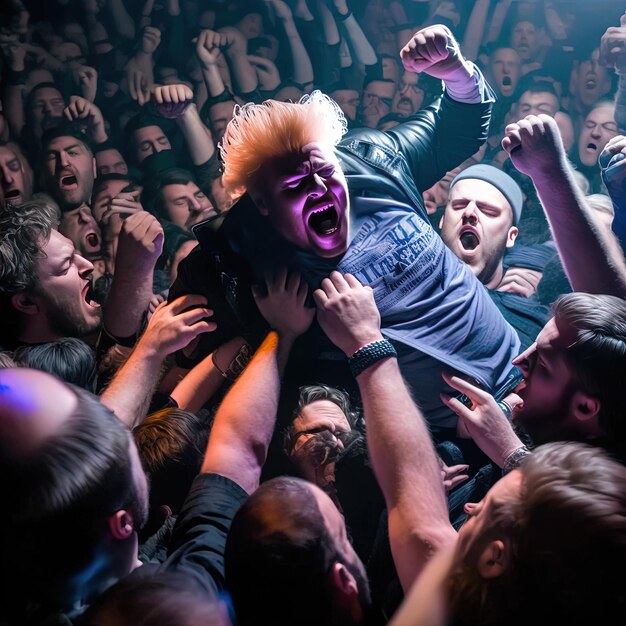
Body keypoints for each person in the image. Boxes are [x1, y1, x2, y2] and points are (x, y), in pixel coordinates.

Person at [171, 24, 521, 434]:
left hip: (521, 360)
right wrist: (278, 335)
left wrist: (454, 72)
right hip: (452, 432)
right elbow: (184, 356)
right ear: (262, 203)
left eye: (323, 171)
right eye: (296, 186)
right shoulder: (238, 260)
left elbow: (456, 126)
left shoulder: (373, 158)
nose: (319, 188)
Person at [439, 163, 550, 348]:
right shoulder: (404, 292)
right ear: (442, 221)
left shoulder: (530, 326)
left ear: (511, 236)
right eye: (459, 206)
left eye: (488, 210)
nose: (469, 213)